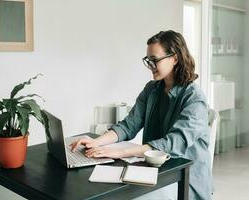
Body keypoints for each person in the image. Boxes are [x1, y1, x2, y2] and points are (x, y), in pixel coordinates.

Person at [70, 30, 212, 200]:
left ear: (174, 58)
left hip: (184, 179)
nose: (150, 66)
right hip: (153, 172)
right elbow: (129, 125)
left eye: (155, 60)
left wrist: (121, 152)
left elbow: (172, 143)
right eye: (148, 60)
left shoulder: (194, 97)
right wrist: (96, 142)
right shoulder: (152, 89)